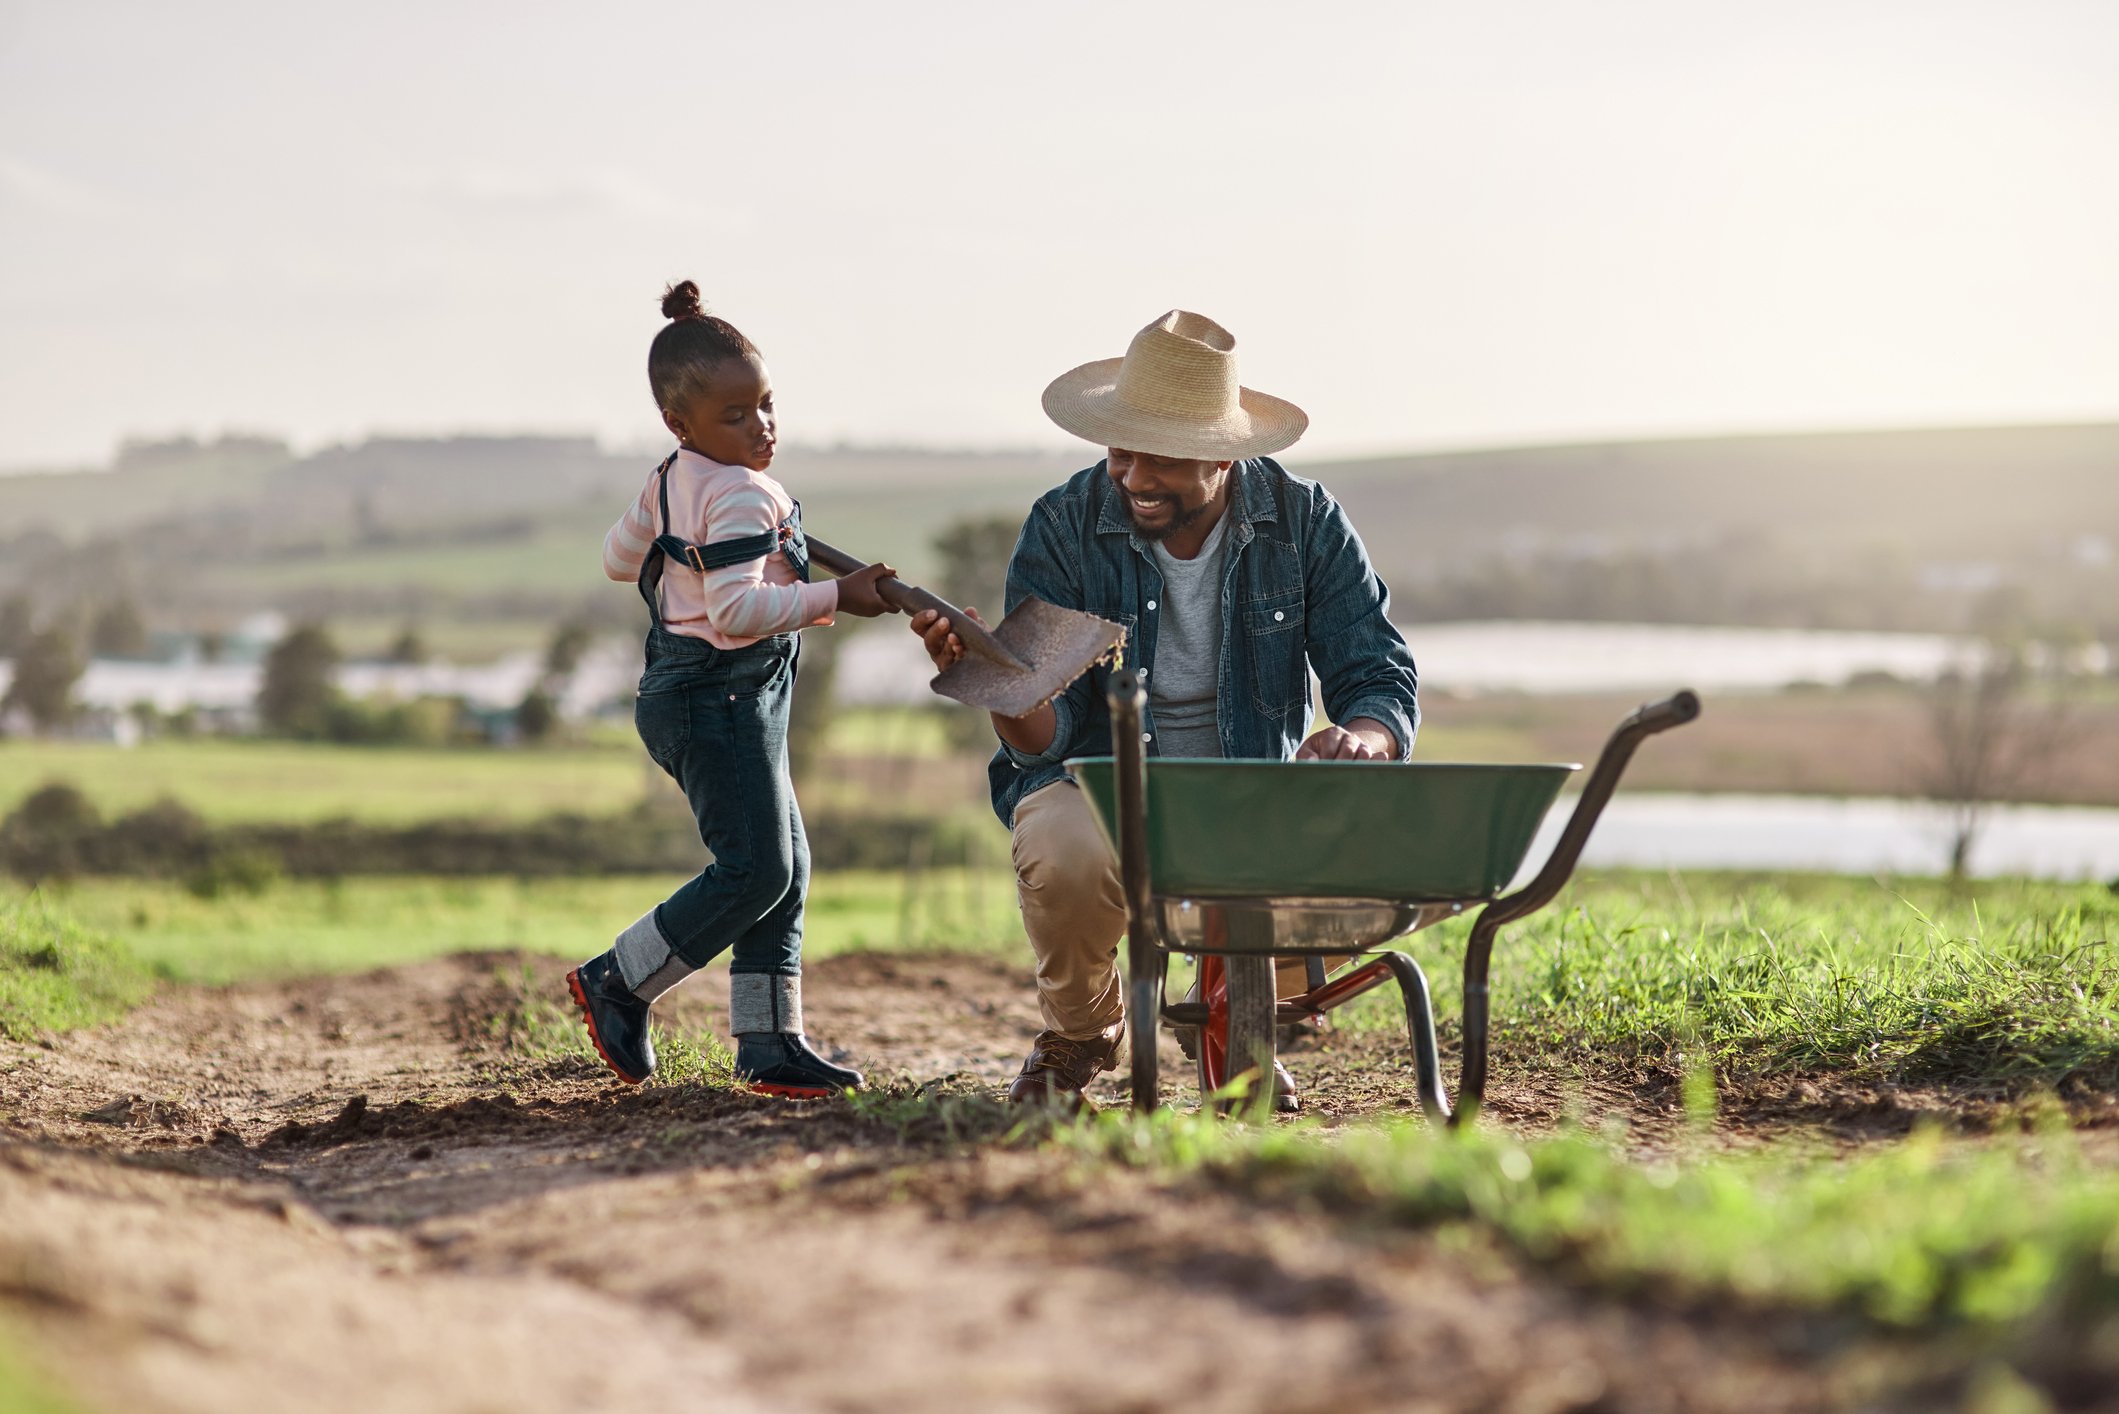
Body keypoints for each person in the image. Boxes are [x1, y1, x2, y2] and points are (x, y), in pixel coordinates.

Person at [912, 310, 1419, 1111]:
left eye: (1162, 457)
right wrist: (1002, 689)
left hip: (1249, 784)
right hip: (1103, 783)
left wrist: (1365, 735)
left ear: (1223, 455)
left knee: (1325, 834)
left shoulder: (1305, 521)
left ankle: (1234, 1015)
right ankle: (1082, 1033)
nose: (1134, 476)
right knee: (1058, 843)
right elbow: (1047, 743)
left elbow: (1374, 669)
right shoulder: (1062, 526)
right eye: (1120, 449)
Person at [568, 281, 898, 1097]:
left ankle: (768, 1038)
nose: (761, 427)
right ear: (681, 423)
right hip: (720, 696)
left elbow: (619, 558)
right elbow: (740, 609)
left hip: (702, 695)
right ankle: (619, 980)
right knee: (753, 869)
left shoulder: (671, 479)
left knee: (784, 865)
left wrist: (676, 539)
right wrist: (838, 597)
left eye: (766, 406)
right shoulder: (742, 492)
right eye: (735, 416)